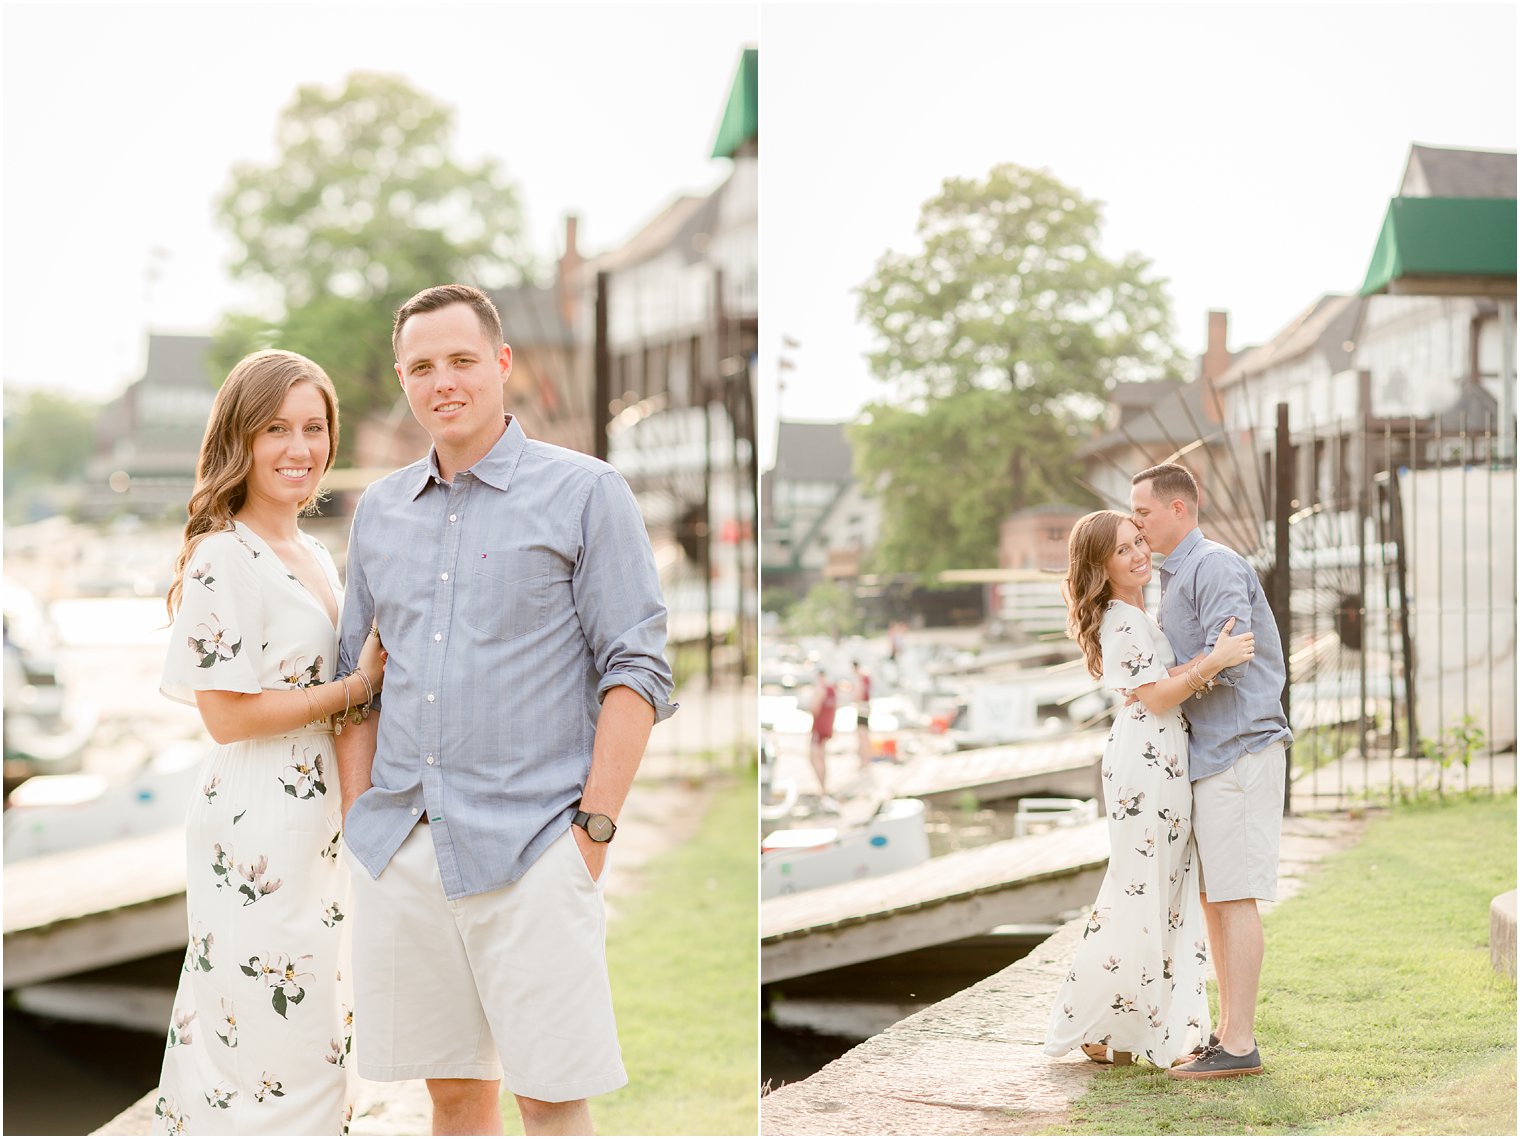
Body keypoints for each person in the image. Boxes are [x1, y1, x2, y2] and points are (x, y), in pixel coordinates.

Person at [334, 284, 675, 1136]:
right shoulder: (377, 514)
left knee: (552, 1100)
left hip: (535, 847)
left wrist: (592, 832)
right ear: (404, 380)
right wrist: (358, 823)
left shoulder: (589, 493)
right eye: (421, 366)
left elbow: (637, 667)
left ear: (502, 364)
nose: (442, 380)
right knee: (452, 1098)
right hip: (404, 850)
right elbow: (355, 684)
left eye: (460, 359)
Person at [157, 350, 387, 1135]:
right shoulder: (224, 553)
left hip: (317, 819)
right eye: (276, 428)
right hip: (255, 825)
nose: (300, 447)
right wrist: (356, 687)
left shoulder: (316, 553)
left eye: (314, 427)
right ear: (241, 439)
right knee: (260, 1033)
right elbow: (225, 713)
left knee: (318, 1033)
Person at [1043, 510, 1254, 1069]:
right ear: (1099, 565)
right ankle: (1108, 1023)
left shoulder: (1135, 614)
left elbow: (1158, 684)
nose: (1139, 553)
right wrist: (1216, 661)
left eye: (1139, 541)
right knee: (1143, 890)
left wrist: (1192, 666)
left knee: (1152, 890)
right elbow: (1158, 697)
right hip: (1147, 762)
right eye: (1122, 549)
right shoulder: (1122, 618)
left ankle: (1117, 1030)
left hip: (1159, 757)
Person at [1129, 462, 1293, 1080]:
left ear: (1179, 510)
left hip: (1242, 747)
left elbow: (1232, 656)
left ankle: (1241, 1043)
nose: (1136, 524)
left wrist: (1161, 686)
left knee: (1235, 893)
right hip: (1211, 753)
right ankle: (1226, 1034)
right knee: (1213, 895)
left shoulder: (1214, 564)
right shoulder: (1175, 578)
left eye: (1142, 512)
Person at [809, 668, 839, 808]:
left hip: (819, 728)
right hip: (827, 727)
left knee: (815, 758)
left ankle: (822, 788)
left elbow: (814, 709)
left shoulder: (821, 690)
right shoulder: (832, 690)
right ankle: (823, 787)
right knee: (822, 757)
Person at [851, 660, 872, 768]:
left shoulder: (861, 677)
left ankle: (864, 761)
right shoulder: (866, 675)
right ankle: (865, 760)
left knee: (862, 734)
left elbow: (860, 693)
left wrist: (853, 699)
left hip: (862, 707)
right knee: (864, 734)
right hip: (866, 705)